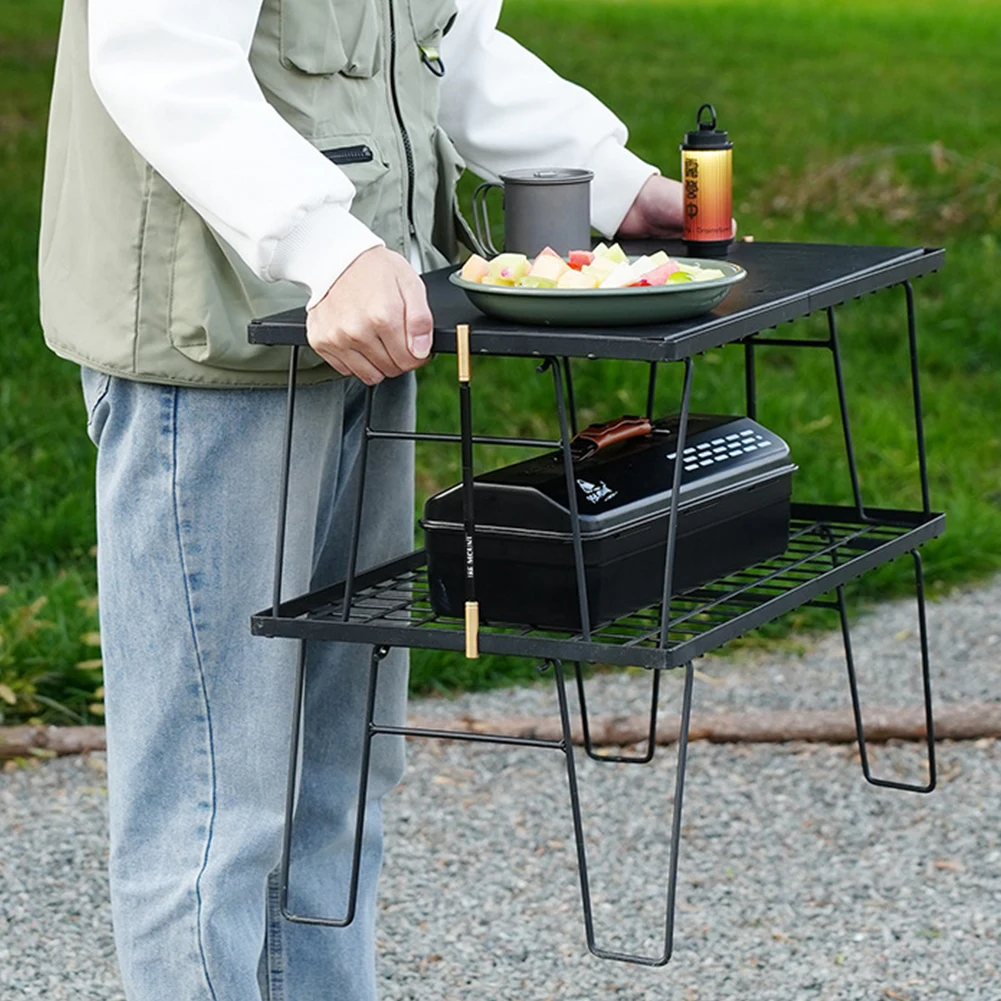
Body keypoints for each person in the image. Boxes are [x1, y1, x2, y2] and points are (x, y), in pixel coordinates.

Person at [38, 0, 684, 997]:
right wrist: (324, 244)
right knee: (211, 804)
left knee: (336, 779)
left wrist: (618, 181)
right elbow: (158, 59)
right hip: (218, 343)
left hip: (366, 327)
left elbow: (445, 47)